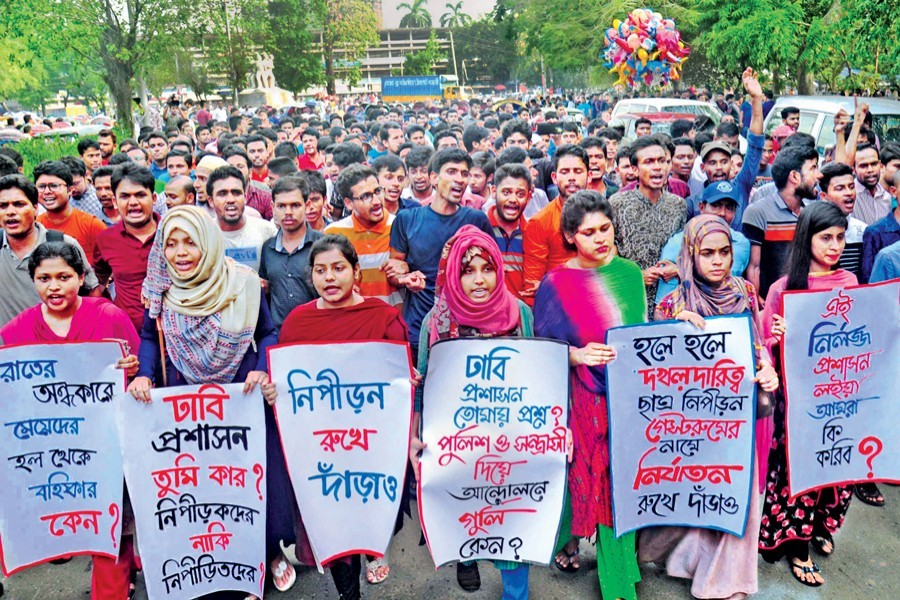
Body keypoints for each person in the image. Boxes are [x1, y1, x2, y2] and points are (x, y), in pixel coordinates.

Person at [126, 205, 292, 598]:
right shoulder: (161, 291)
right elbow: (149, 337)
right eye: (171, 244)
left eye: (191, 243)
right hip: (185, 397)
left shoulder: (243, 283)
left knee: (249, 480)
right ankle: (214, 561)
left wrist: (263, 368)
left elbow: (268, 332)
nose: (180, 253)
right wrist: (144, 373)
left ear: (210, 243)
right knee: (205, 485)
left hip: (242, 394)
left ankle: (266, 556)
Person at [640, 215, 779, 599]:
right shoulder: (673, 302)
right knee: (699, 492)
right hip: (693, 421)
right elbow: (657, 366)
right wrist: (674, 330)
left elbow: (756, 344)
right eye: (707, 253)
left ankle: (728, 581)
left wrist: (767, 368)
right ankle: (687, 558)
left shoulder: (745, 292)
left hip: (738, 414)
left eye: (724, 252)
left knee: (742, 498)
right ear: (690, 254)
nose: (718, 261)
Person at [0, 241, 140, 600]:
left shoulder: (108, 316)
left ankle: (113, 591)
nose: (54, 286)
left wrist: (133, 370)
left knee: (109, 529)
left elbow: (139, 372)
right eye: (44, 278)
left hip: (106, 450)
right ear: (33, 281)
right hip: (50, 453)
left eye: (64, 276)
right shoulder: (17, 331)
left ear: (81, 277)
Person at [273, 235, 410, 599]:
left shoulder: (383, 316)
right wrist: (275, 392)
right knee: (333, 520)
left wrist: (406, 380)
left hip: (373, 442)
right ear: (311, 277)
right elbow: (289, 384)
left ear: (355, 273)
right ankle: (349, 595)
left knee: (373, 509)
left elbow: (399, 378)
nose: (329, 278)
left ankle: (372, 548)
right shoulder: (297, 323)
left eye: (338, 269)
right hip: (321, 445)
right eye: (321, 271)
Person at [534, 191, 646, 600]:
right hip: (583, 399)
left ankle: (613, 559)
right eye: (588, 232)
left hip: (632, 398)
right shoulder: (556, 283)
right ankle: (617, 584)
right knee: (597, 482)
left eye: (606, 229)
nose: (600, 239)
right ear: (569, 236)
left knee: (623, 484)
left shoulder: (631, 273)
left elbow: (640, 332)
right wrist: (577, 355)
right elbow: (541, 350)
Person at [411, 224, 535, 595]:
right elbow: (424, 387)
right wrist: (415, 439)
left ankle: (516, 593)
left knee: (513, 522)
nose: (479, 280)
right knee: (467, 511)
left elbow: (538, 377)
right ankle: (467, 557)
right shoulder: (437, 322)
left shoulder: (520, 314)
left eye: (487, 268)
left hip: (511, 442)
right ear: (453, 274)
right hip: (457, 444)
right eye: (467, 271)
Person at [758, 201, 858, 587]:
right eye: (825, 238)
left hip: (838, 399)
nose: (834, 246)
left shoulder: (849, 283)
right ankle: (797, 548)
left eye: (839, 237)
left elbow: (859, 340)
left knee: (835, 473)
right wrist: (777, 337)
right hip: (798, 405)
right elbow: (762, 347)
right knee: (800, 474)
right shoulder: (784, 289)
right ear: (806, 239)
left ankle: (821, 527)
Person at [387, 148, 493, 357]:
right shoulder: (407, 220)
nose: (461, 179)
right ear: (434, 178)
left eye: (464, 174)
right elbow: (394, 273)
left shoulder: (477, 220)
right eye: (452, 172)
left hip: (466, 330)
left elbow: (492, 272)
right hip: (420, 329)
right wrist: (406, 278)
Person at [0, 174, 101, 327]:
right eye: (3, 206)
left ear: (35, 208)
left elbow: (91, 294)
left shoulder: (64, 244)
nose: (10, 212)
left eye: (19, 204)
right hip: (9, 347)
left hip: (59, 345)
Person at [609, 136, 687, 317]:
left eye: (661, 161)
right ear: (635, 170)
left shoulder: (679, 206)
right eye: (649, 162)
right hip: (628, 301)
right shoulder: (616, 204)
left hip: (670, 304)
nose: (657, 167)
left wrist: (676, 270)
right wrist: (636, 276)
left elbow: (684, 253)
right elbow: (606, 257)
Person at [742, 145, 821, 300]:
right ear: (794, 176)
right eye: (813, 168)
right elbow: (754, 266)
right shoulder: (758, 212)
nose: (819, 175)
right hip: (771, 302)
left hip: (805, 299)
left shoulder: (811, 212)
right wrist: (757, 302)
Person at [655, 180, 751, 303]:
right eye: (716, 205)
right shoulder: (677, 244)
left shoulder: (742, 244)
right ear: (701, 207)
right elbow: (664, 304)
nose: (722, 213)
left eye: (729, 207)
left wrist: (681, 271)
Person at [93, 163, 159, 333]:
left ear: (154, 198)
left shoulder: (174, 235)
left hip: (176, 341)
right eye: (125, 196)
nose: (133, 202)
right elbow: (99, 278)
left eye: (140, 195)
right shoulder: (105, 239)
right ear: (115, 201)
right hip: (128, 335)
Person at [326, 165, 402, 306]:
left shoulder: (401, 226)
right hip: (353, 319)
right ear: (348, 203)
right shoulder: (333, 233)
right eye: (366, 196)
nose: (376, 201)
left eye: (378, 191)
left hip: (394, 319)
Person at [522, 144, 589, 303]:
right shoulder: (540, 222)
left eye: (578, 171)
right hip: (558, 305)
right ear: (554, 177)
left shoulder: (602, 214)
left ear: (589, 175)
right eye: (565, 172)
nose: (571, 177)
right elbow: (532, 286)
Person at [259, 176, 323, 331]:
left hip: (317, 331)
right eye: (281, 206)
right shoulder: (268, 248)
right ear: (273, 207)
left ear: (307, 206)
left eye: (295, 205)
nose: (288, 212)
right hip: (280, 335)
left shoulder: (323, 245)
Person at [34, 160, 106, 266]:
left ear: (70, 190)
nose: (47, 191)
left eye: (54, 186)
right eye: (41, 187)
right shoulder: (34, 227)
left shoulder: (92, 225)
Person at [207, 165, 276, 272]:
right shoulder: (204, 235)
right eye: (222, 194)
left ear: (244, 197)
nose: (230, 200)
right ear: (211, 201)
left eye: (236, 193)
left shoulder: (266, 231)